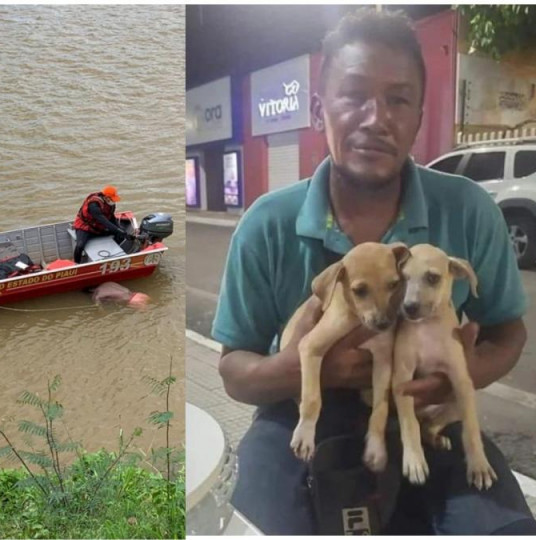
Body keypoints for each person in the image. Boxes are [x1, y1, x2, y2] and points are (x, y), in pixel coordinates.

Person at [212, 8, 536, 535]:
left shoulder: (470, 209)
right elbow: (232, 370)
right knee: (253, 524)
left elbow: (507, 331)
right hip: (300, 416)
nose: (376, 117)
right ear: (318, 111)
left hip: (429, 419)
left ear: (418, 115)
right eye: (354, 95)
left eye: (398, 99)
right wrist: (305, 366)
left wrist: (454, 379)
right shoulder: (266, 224)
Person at [72, 185, 135, 263]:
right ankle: (76, 263)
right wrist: (118, 230)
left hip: (99, 227)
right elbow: (104, 222)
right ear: (106, 197)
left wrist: (121, 230)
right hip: (86, 227)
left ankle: (116, 255)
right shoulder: (94, 205)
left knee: (120, 234)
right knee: (80, 246)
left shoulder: (111, 204)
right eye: (112, 199)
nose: (114, 201)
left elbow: (111, 218)